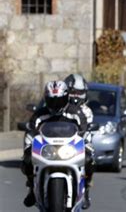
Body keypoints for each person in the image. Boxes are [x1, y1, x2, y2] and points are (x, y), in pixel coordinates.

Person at [21, 80, 94, 210]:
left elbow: (84, 130)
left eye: (59, 100)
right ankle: (32, 188)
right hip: (48, 149)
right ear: (46, 99)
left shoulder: (76, 112)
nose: (55, 104)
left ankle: (86, 189)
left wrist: (86, 141)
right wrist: (28, 147)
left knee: (89, 159)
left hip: (69, 148)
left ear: (66, 97)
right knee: (27, 159)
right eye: (51, 100)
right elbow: (31, 130)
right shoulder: (40, 114)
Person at [64, 73, 95, 209]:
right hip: (59, 144)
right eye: (73, 92)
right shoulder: (59, 108)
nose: (76, 96)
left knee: (90, 159)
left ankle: (86, 188)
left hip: (79, 144)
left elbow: (87, 131)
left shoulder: (87, 111)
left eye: (80, 92)